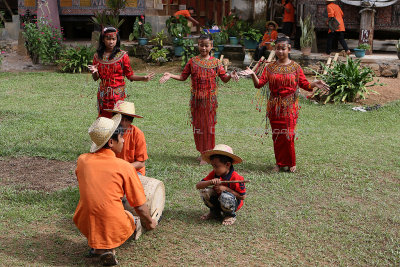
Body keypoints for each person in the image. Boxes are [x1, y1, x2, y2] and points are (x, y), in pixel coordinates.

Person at [73, 114, 157, 266]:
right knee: (129, 217)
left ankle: (98, 248)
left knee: (99, 215)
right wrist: (150, 222)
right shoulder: (124, 167)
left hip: (83, 219)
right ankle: (107, 249)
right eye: (121, 137)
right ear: (111, 142)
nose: (124, 140)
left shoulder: (82, 160)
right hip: (111, 220)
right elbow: (139, 205)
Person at [239, 35, 329, 173]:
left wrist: (314, 84)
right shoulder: (270, 67)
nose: (280, 52)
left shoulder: (295, 67)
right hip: (274, 106)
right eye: (277, 49)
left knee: (288, 135)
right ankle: (279, 163)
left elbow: (305, 85)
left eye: (283, 49)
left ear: (289, 49)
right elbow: (259, 84)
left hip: (290, 106)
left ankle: (291, 162)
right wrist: (252, 74)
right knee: (277, 136)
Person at [159, 34, 239, 165]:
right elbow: (183, 77)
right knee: (198, 127)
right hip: (196, 102)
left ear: (211, 46)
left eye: (206, 45)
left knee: (208, 127)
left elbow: (224, 78)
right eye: (201, 45)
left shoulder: (216, 62)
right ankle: (202, 152)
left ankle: (208, 154)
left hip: (210, 102)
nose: (203, 48)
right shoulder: (192, 61)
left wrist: (231, 75)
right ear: (198, 45)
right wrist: (170, 75)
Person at [88, 27, 155, 118]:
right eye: (108, 39)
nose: (111, 42)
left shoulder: (123, 55)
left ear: (117, 40)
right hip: (103, 95)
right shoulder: (97, 56)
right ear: (103, 40)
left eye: (113, 39)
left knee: (118, 119)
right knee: (104, 122)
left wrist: (143, 78)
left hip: (117, 95)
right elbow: (96, 78)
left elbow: (130, 75)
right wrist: (94, 72)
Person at [196, 144, 246, 226]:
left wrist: (226, 189)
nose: (214, 169)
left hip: (232, 203)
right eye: (212, 166)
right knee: (205, 191)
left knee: (226, 196)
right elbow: (198, 186)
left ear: (228, 165)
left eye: (216, 166)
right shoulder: (214, 174)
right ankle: (215, 212)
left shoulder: (237, 178)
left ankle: (230, 215)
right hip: (219, 201)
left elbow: (242, 197)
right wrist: (210, 182)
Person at [105, 100, 148, 176]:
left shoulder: (138, 134)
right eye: (121, 119)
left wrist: (123, 168)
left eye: (126, 120)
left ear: (131, 121)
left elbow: (141, 163)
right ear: (115, 118)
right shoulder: (107, 131)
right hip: (112, 169)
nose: (123, 123)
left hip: (133, 171)